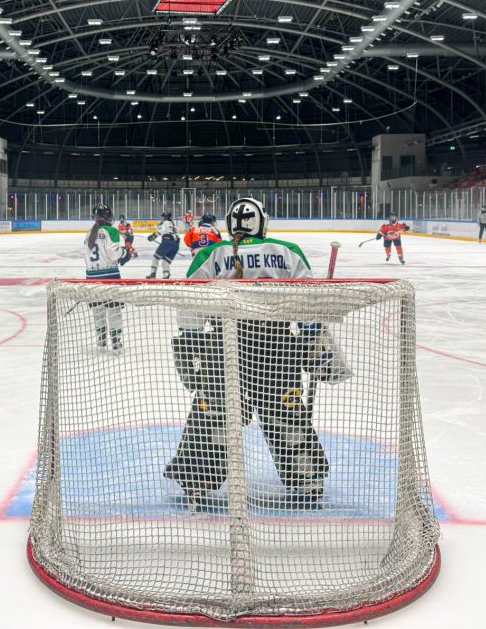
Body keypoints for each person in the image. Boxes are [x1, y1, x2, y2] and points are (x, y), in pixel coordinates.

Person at [166, 197, 347, 509]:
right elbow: (308, 308)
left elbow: (190, 304)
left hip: (223, 350)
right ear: (262, 221)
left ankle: (197, 479)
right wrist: (315, 340)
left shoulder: (212, 253)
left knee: (214, 415)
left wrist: (192, 345)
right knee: (287, 413)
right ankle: (308, 478)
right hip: (276, 350)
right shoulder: (287, 251)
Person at [84, 204, 132, 350]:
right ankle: (116, 341)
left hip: (91, 276)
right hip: (110, 275)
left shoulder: (89, 232)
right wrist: (125, 252)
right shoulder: (111, 230)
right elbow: (113, 254)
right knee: (114, 309)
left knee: (98, 309)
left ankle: (101, 339)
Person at [146, 211, 180, 279]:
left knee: (156, 258)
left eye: (163, 217)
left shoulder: (164, 222)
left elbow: (161, 231)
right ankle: (166, 275)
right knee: (166, 261)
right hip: (176, 245)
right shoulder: (174, 225)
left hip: (167, 242)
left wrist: (153, 236)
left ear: (165, 217)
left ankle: (153, 274)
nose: (163, 218)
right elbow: (177, 235)